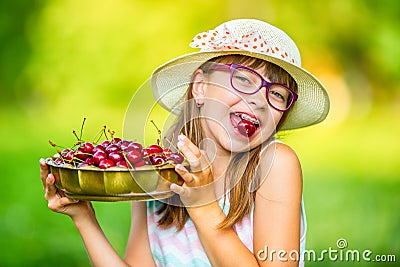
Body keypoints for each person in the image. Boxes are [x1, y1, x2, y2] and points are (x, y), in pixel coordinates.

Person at [40, 19, 330, 267]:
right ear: (201, 86)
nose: (259, 100)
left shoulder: (274, 165)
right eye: (243, 79)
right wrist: (84, 218)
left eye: (278, 95)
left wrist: (204, 207)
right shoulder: (158, 173)